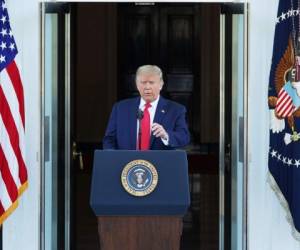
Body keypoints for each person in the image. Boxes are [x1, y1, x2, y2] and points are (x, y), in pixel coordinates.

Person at [102, 65, 190, 150]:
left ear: (161, 84)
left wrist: (166, 135)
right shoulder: (121, 108)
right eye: (143, 82)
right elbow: (109, 140)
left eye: (151, 82)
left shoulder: (176, 110)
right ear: (137, 85)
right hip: (128, 164)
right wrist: (114, 160)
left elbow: (184, 137)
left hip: (160, 163)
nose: (147, 87)